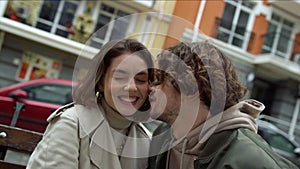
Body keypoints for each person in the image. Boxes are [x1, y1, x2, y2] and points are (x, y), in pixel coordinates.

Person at [148, 41, 298, 169]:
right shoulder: (162, 136)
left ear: (192, 87)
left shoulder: (250, 160)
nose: (151, 88)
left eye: (160, 80)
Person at [27, 39, 154, 169]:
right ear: (100, 82)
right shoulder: (70, 124)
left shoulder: (145, 141)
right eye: (120, 78)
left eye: (140, 80)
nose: (132, 87)